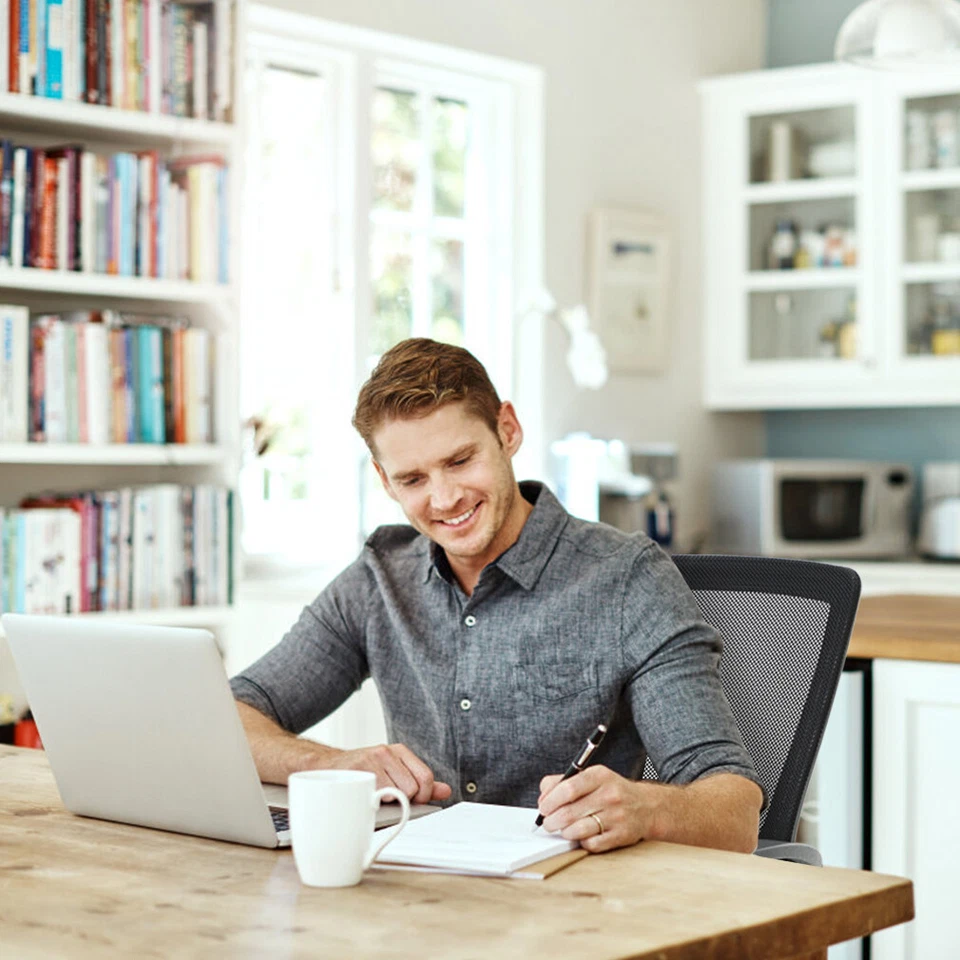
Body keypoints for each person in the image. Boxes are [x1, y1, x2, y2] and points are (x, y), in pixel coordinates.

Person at [230, 338, 764, 854]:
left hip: (577, 908)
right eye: (413, 478)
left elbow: (734, 810)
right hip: (422, 898)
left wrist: (647, 809)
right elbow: (231, 714)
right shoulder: (379, 578)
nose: (445, 498)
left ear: (507, 430)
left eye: (461, 461)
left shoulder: (628, 580)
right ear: (385, 481)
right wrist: (328, 765)